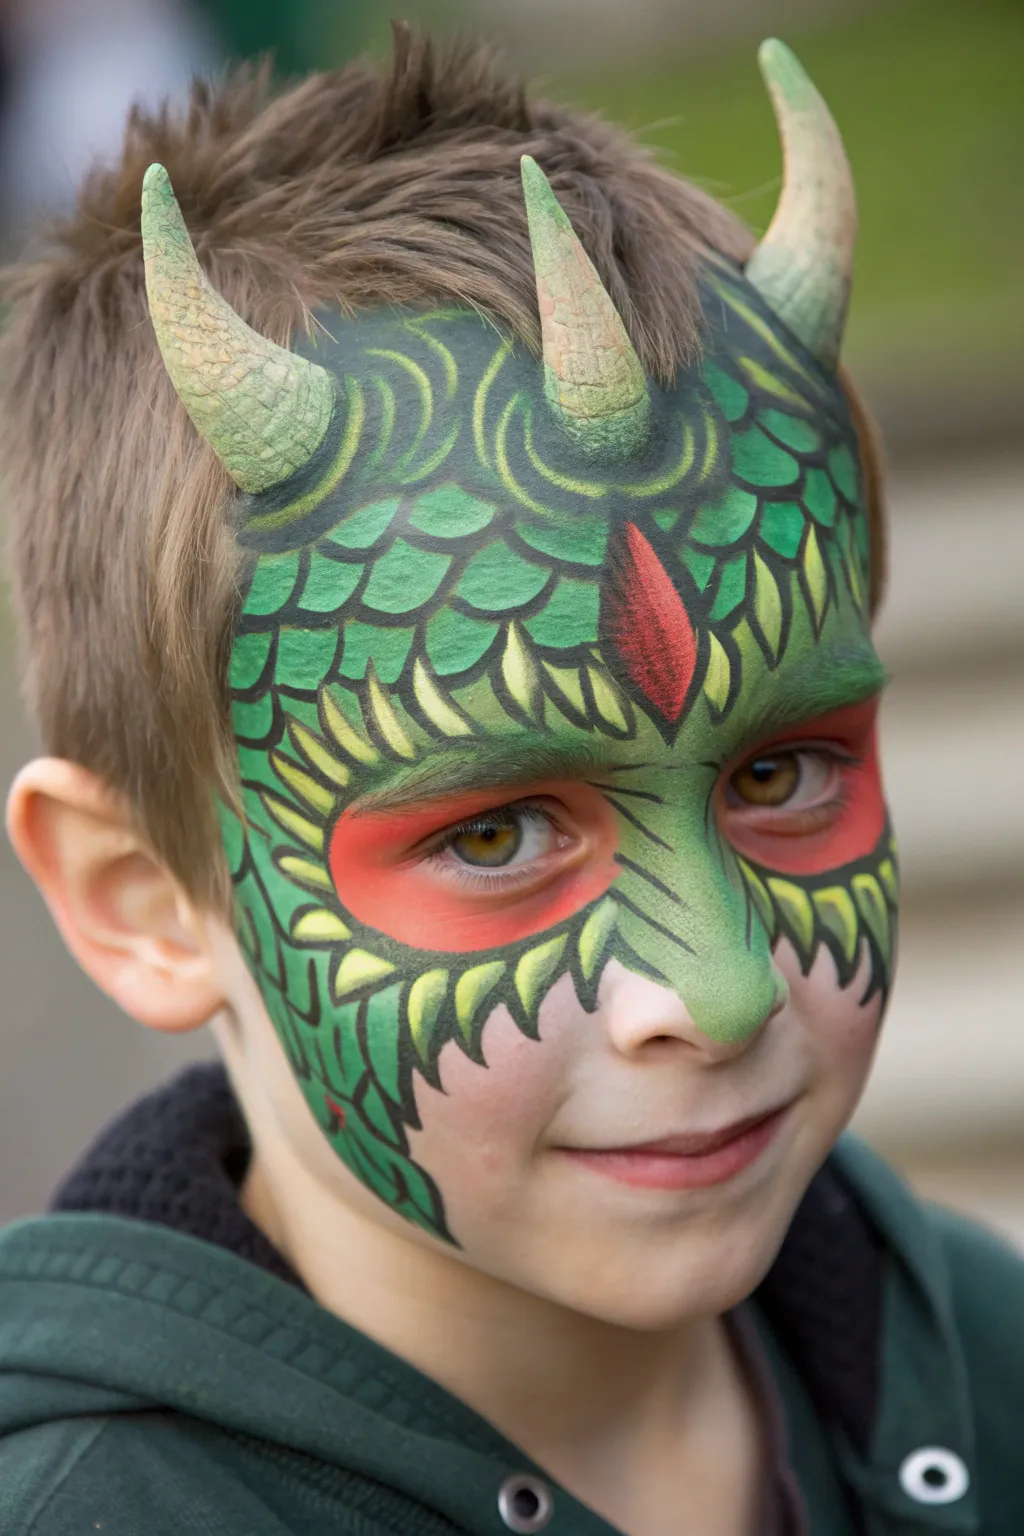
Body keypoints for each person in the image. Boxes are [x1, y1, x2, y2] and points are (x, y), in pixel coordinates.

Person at [0, 28, 1020, 1536]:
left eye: (780, 769)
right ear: (142, 898)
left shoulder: (991, 1370)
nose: (718, 990)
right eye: (496, 833)